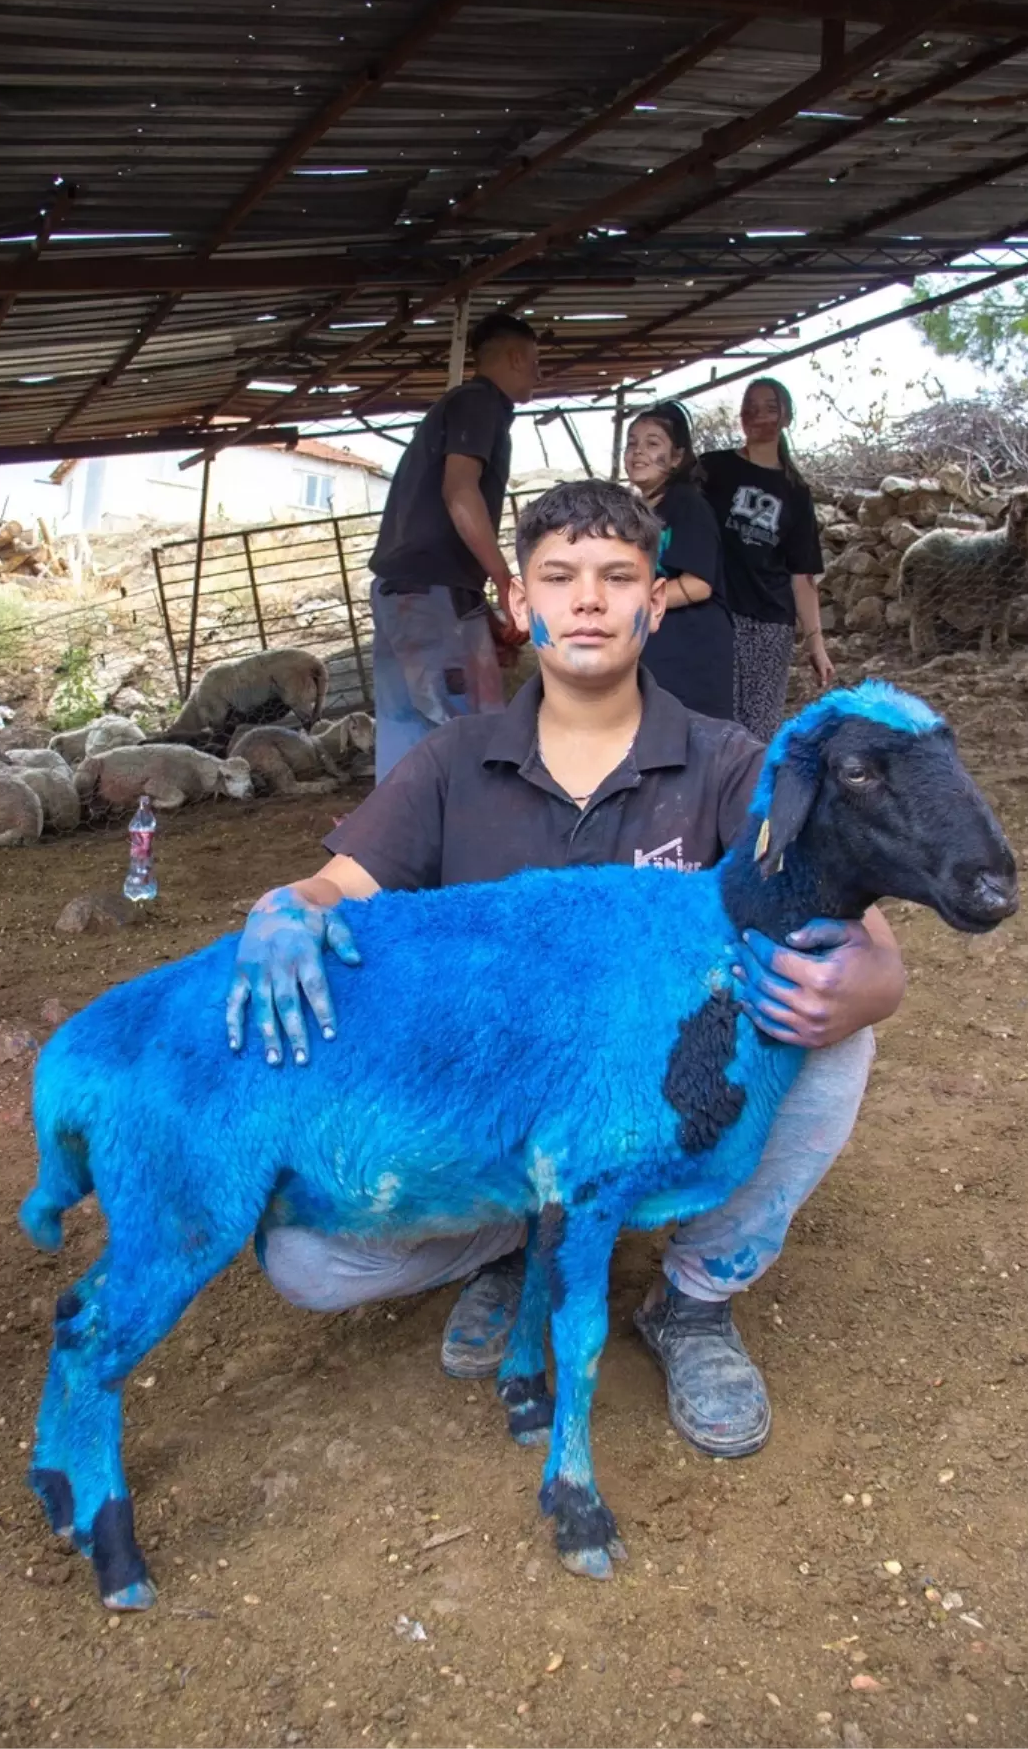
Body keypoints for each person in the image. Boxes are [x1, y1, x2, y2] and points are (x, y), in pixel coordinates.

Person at [225, 480, 904, 1459]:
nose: (587, 599)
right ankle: (511, 1236)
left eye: (617, 576)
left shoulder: (723, 761)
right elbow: (333, 888)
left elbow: (866, 941)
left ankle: (695, 1299)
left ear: (655, 603)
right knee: (307, 1262)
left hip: (659, 1096)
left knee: (827, 1019)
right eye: (559, 577)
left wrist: (869, 986)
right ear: (519, 605)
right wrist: (283, 911)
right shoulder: (456, 762)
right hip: (497, 1114)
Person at [366, 311, 539, 780]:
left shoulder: (454, 407)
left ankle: (401, 843)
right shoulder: (480, 403)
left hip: (403, 592)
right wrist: (506, 582)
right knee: (469, 728)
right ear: (517, 357)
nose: (538, 376)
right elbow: (460, 489)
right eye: (536, 363)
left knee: (405, 728)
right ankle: (477, 841)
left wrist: (475, 602)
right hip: (427, 597)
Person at [700, 379, 834, 742]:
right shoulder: (711, 470)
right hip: (715, 613)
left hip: (769, 622)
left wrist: (815, 645)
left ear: (786, 417)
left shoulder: (796, 491)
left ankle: (753, 797)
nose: (758, 415)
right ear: (740, 417)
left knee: (758, 728)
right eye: (751, 407)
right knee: (713, 720)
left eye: (770, 407)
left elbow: (801, 574)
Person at [623, 402, 734, 719]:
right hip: (655, 653)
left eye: (652, 443)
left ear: (676, 458)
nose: (638, 452)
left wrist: (631, 600)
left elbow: (699, 584)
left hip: (689, 655)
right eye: (632, 442)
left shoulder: (687, 505)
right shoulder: (635, 512)